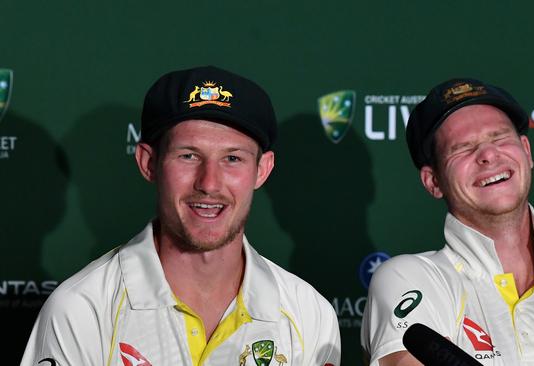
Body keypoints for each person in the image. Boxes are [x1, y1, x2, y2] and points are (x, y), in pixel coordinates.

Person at [20, 66, 341, 366]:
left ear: (262, 169)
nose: (209, 183)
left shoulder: (308, 314)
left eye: (232, 158)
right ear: (148, 163)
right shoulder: (82, 309)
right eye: (188, 156)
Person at [360, 78, 534, 365]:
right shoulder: (411, 279)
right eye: (462, 147)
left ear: (527, 151)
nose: (487, 154)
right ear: (433, 181)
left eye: (499, 138)